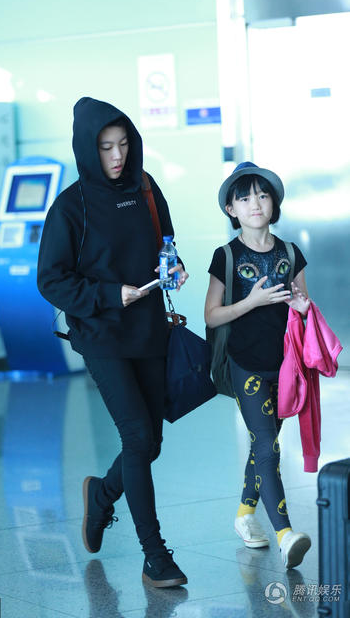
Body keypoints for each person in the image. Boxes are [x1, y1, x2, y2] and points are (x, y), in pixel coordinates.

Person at [37, 97, 189, 587]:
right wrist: (108, 294)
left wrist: (174, 268)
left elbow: (166, 245)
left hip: (149, 329)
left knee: (151, 443)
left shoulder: (146, 188)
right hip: (101, 333)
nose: (118, 155)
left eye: (123, 144)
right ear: (88, 149)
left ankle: (102, 494)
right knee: (138, 438)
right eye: (106, 147)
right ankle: (155, 556)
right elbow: (50, 280)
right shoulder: (69, 207)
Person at [204, 162, 311, 569]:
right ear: (231, 209)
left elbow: (303, 307)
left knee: (261, 445)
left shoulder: (290, 253)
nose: (255, 203)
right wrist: (251, 302)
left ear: (274, 203)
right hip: (245, 364)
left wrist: (302, 308)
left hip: (285, 367)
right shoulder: (226, 256)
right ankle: (286, 535)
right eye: (245, 197)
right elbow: (212, 315)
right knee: (268, 445)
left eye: (263, 195)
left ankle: (245, 515)